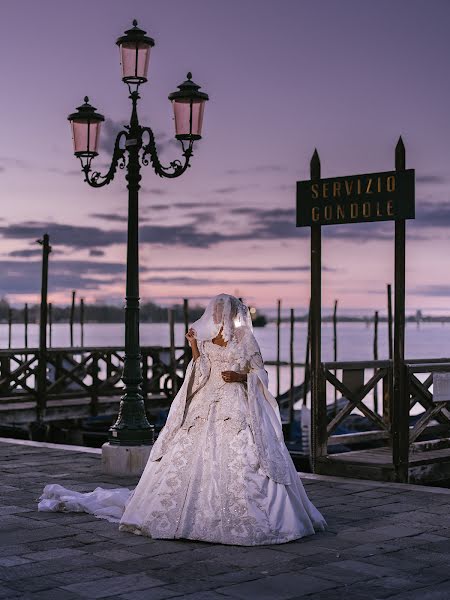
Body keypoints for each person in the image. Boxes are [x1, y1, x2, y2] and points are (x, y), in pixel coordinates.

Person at [39, 294, 326, 545]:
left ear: (230, 313)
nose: (215, 315)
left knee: (245, 456)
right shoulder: (205, 339)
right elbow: (200, 371)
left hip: (237, 404)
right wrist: (193, 347)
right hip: (206, 402)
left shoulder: (245, 340)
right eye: (213, 311)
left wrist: (241, 377)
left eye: (219, 311)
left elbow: (261, 374)